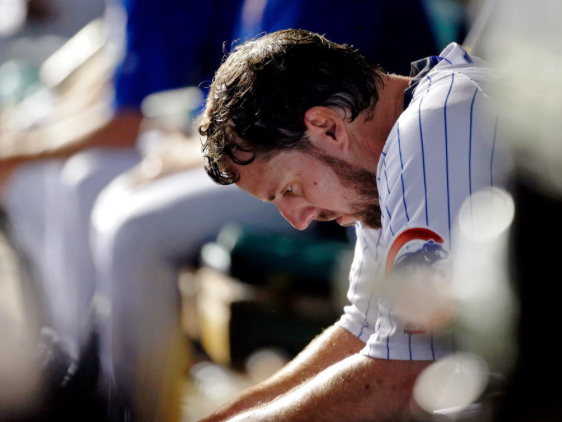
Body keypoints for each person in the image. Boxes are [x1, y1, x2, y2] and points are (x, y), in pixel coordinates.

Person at [197, 29, 511, 421]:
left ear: (328, 127)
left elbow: (404, 372)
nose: (299, 220)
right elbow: (362, 331)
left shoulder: (434, 125)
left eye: (290, 189)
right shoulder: (379, 167)